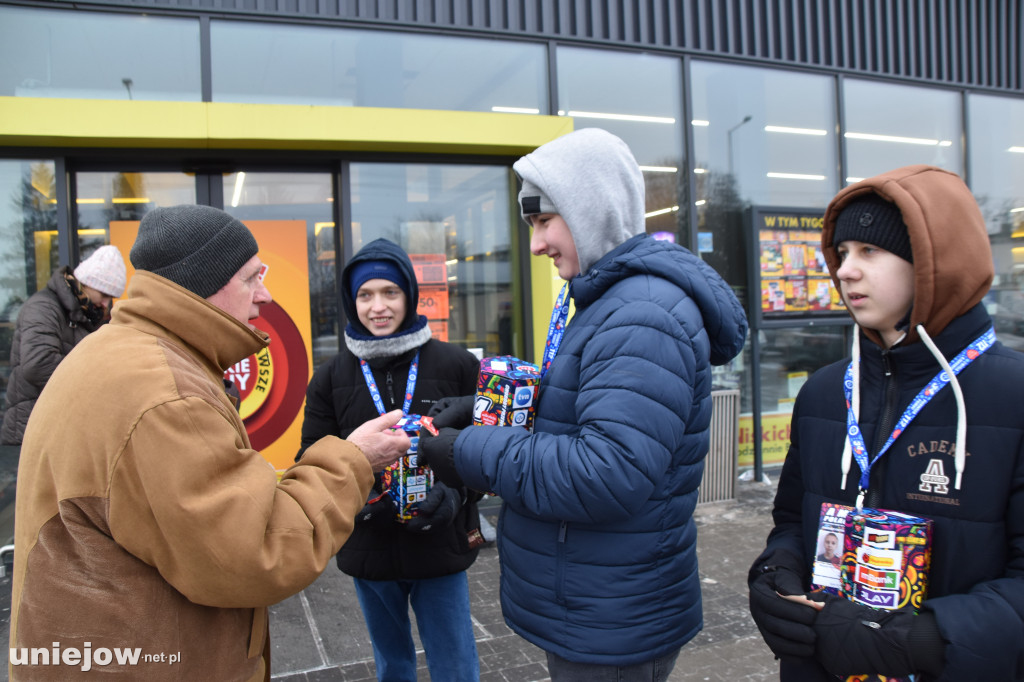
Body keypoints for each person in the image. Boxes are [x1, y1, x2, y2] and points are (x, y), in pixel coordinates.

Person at [9, 205, 411, 681]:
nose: (263, 296)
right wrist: (355, 458)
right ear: (202, 283)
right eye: (250, 278)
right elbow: (256, 550)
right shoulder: (164, 394)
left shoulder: (121, 351)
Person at [418, 128, 749, 680]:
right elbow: (581, 414)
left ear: (592, 209)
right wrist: (476, 410)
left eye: (545, 221)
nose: (535, 244)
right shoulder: (611, 302)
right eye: (532, 225)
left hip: (612, 617)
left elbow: (607, 472)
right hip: (598, 600)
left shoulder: (644, 314)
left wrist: (465, 450)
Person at [747, 165, 1024, 681]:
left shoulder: (1012, 397)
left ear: (932, 263)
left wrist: (927, 640)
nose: (845, 270)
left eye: (869, 251)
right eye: (843, 253)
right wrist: (774, 576)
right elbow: (791, 521)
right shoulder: (826, 393)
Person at [298, 238, 483, 681]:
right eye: (365, 295)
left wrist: (457, 494)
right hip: (369, 546)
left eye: (390, 293)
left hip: (438, 542)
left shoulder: (456, 363)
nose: (377, 307)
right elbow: (309, 459)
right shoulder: (330, 377)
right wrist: (356, 499)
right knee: (392, 664)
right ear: (351, 301)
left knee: (455, 662)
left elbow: (488, 446)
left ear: (410, 297)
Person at [2, 244, 127, 446]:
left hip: (55, 428)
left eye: (111, 298)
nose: (106, 303)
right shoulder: (44, 307)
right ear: (85, 283)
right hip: (32, 430)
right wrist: (98, 379)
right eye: (104, 294)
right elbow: (37, 365)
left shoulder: (85, 315)